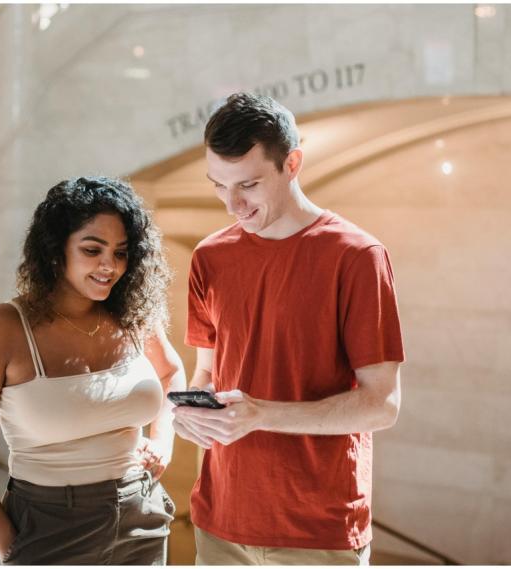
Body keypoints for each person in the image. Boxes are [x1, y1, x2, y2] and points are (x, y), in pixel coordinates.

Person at [172, 93, 405, 565]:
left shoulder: (358, 257)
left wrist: (261, 414)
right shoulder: (209, 258)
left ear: (292, 163)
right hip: (219, 522)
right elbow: (208, 376)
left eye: (249, 185)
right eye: (218, 185)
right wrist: (189, 414)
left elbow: (381, 405)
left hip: (318, 531)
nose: (232, 204)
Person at [0, 176, 185, 565]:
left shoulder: (133, 317)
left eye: (122, 253)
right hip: (47, 522)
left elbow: (171, 372)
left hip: (141, 514)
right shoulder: (2, 328)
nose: (110, 266)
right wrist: (10, 545)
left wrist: (163, 444)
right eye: (93, 250)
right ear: (56, 251)